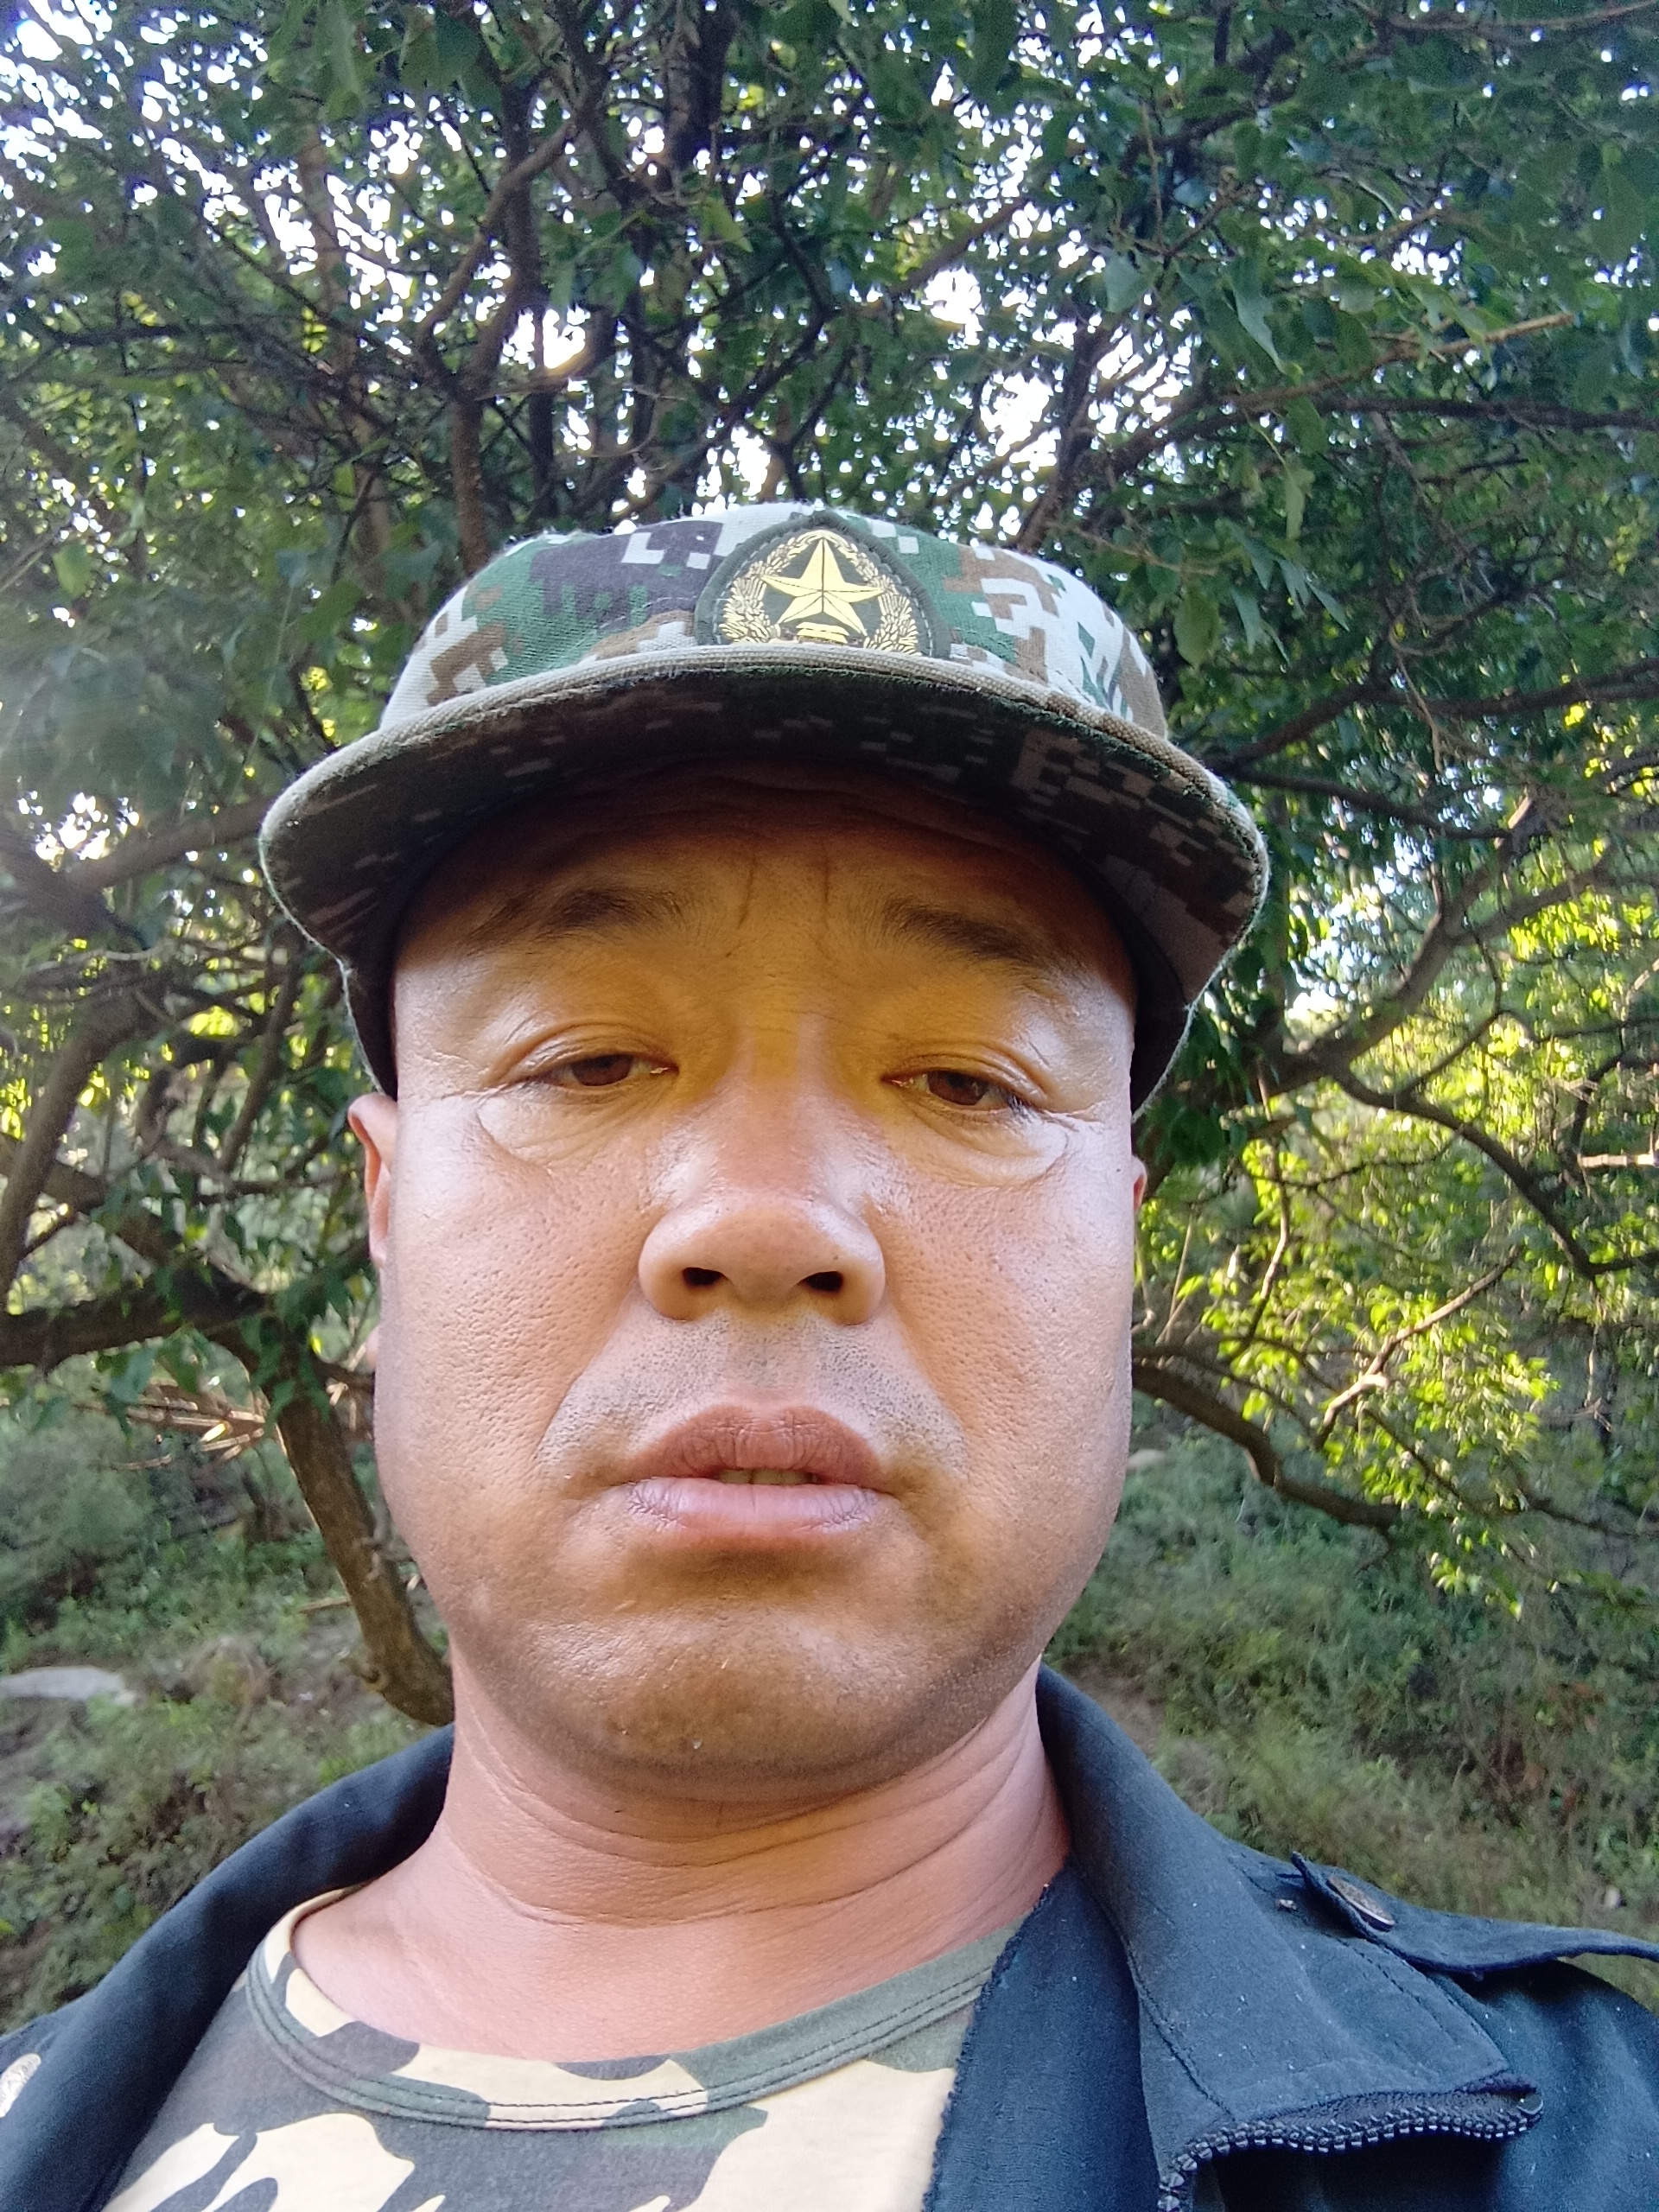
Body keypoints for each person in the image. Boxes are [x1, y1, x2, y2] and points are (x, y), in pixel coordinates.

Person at [3, 505, 1656, 2212]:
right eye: (585, 1061)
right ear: (387, 1202)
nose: (769, 1217)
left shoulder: (1579, 2154)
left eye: (968, 1082)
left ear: (1120, 1240)